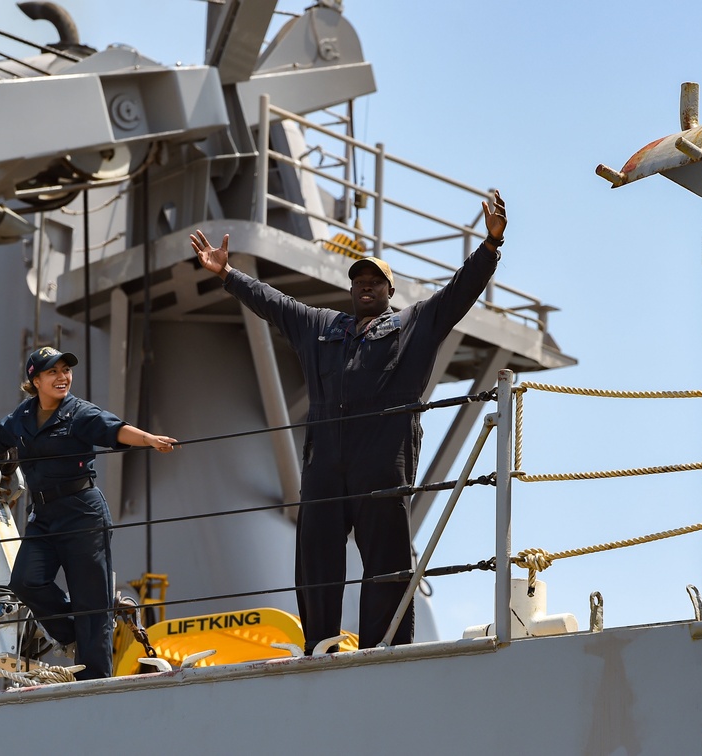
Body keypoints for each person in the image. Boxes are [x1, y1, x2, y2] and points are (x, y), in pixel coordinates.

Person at [190, 190, 507, 653]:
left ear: (389, 291)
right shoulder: (320, 326)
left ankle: (386, 649)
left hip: (382, 462)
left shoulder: (412, 326)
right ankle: (321, 645)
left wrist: (490, 245)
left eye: (375, 281)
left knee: (386, 558)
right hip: (325, 466)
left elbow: (459, 292)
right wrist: (229, 274)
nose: (365, 285)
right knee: (316, 556)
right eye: (359, 278)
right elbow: (273, 303)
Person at [0, 346, 176, 680]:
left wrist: (150, 439)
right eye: (53, 372)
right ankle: (71, 630)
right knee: (26, 581)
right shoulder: (23, 417)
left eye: (66, 371)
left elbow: (116, 429)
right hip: (44, 516)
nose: (62, 377)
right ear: (35, 379)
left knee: (91, 602)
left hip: (83, 512)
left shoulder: (79, 413)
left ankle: (94, 681)